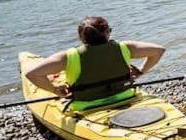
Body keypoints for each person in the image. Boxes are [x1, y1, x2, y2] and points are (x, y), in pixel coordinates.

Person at [25, 16, 165, 112]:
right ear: (106, 33)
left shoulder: (69, 56)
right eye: (109, 30)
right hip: (125, 96)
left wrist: (55, 90)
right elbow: (158, 51)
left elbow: (32, 74)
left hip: (86, 105)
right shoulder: (124, 47)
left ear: (81, 37)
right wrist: (141, 71)